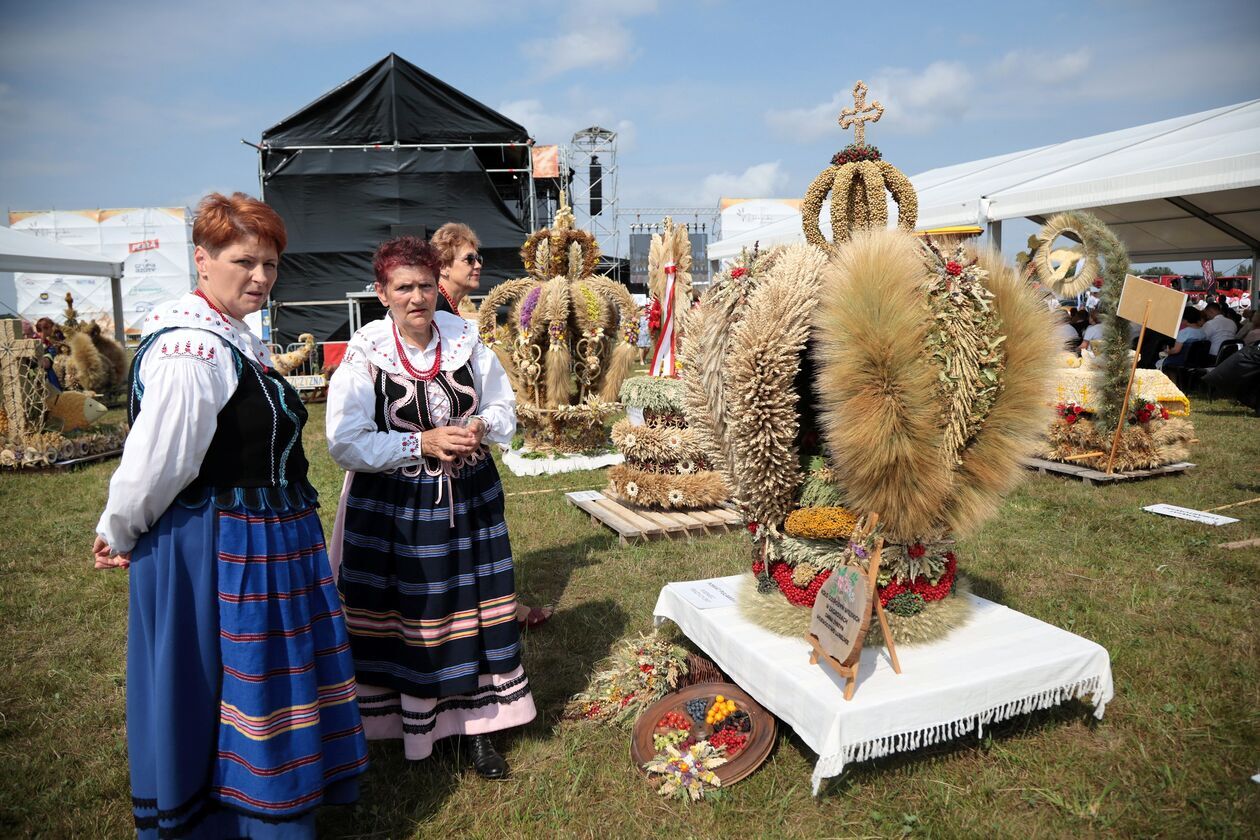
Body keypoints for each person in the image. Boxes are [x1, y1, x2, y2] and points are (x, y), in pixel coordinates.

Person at [93, 193, 367, 838]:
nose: (262, 277)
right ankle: (232, 819)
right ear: (202, 260)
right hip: (219, 546)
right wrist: (117, 527)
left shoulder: (231, 336)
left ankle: (271, 801)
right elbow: (160, 460)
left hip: (267, 538)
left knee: (268, 679)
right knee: (230, 682)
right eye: (245, 261)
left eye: (272, 263)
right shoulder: (191, 347)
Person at [327, 236, 536, 779]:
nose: (417, 297)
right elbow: (344, 442)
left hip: (469, 499)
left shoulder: (465, 339)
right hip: (395, 508)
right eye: (403, 288)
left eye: (424, 285)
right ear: (382, 293)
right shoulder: (366, 351)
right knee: (413, 617)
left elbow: (503, 407)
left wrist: (480, 425)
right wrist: (419, 443)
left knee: (475, 610)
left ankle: (478, 729)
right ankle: (406, 721)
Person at [429, 221, 553, 629]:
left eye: (478, 256)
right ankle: (485, 615)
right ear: (443, 265)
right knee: (468, 534)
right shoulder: (433, 312)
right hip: (444, 452)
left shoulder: (454, 311)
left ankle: (496, 609)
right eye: (469, 258)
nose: (479, 264)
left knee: (481, 529)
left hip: (470, 441)